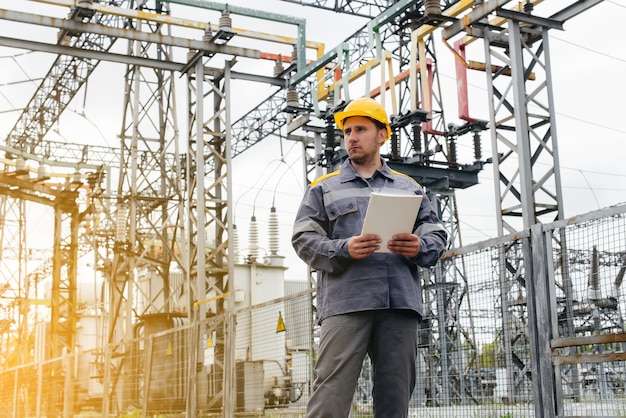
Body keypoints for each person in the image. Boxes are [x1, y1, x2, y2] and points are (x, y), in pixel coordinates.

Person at [291, 97, 448, 418]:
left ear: (382, 135)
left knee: (395, 398)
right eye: (347, 131)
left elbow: (437, 236)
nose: (351, 137)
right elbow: (303, 239)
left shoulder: (410, 188)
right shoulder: (323, 189)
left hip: (399, 305)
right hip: (347, 303)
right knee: (330, 396)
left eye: (360, 129)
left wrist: (419, 245)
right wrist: (343, 249)